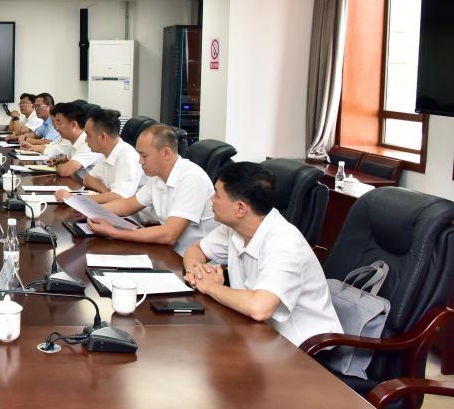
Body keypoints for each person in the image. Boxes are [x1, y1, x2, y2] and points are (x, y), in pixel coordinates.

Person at [182, 162, 342, 346]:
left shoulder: (285, 245)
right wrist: (197, 273)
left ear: (240, 208)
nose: (211, 199)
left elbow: (259, 308)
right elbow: (196, 250)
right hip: (257, 333)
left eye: (217, 195)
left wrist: (210, 287)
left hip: (303, 347)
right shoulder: (234, 228)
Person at [85, 124, 219, 255]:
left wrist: (114, 232)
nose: (140, 161)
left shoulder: (191, 178)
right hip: (170, 251)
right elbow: (127, 205)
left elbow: (169, 235)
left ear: (166, 153)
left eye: (144, 156)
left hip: (193, 261)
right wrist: (87, 211)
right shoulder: (159, 177)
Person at [55, 108, 143, 202]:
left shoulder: (127, 156)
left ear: (102, 136)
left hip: (129, 211)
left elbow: (120, 199)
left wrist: (74, 199)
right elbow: (88, 179)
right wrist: (107, 193)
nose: (85, 140)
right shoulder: (107, 153)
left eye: (88, 135)